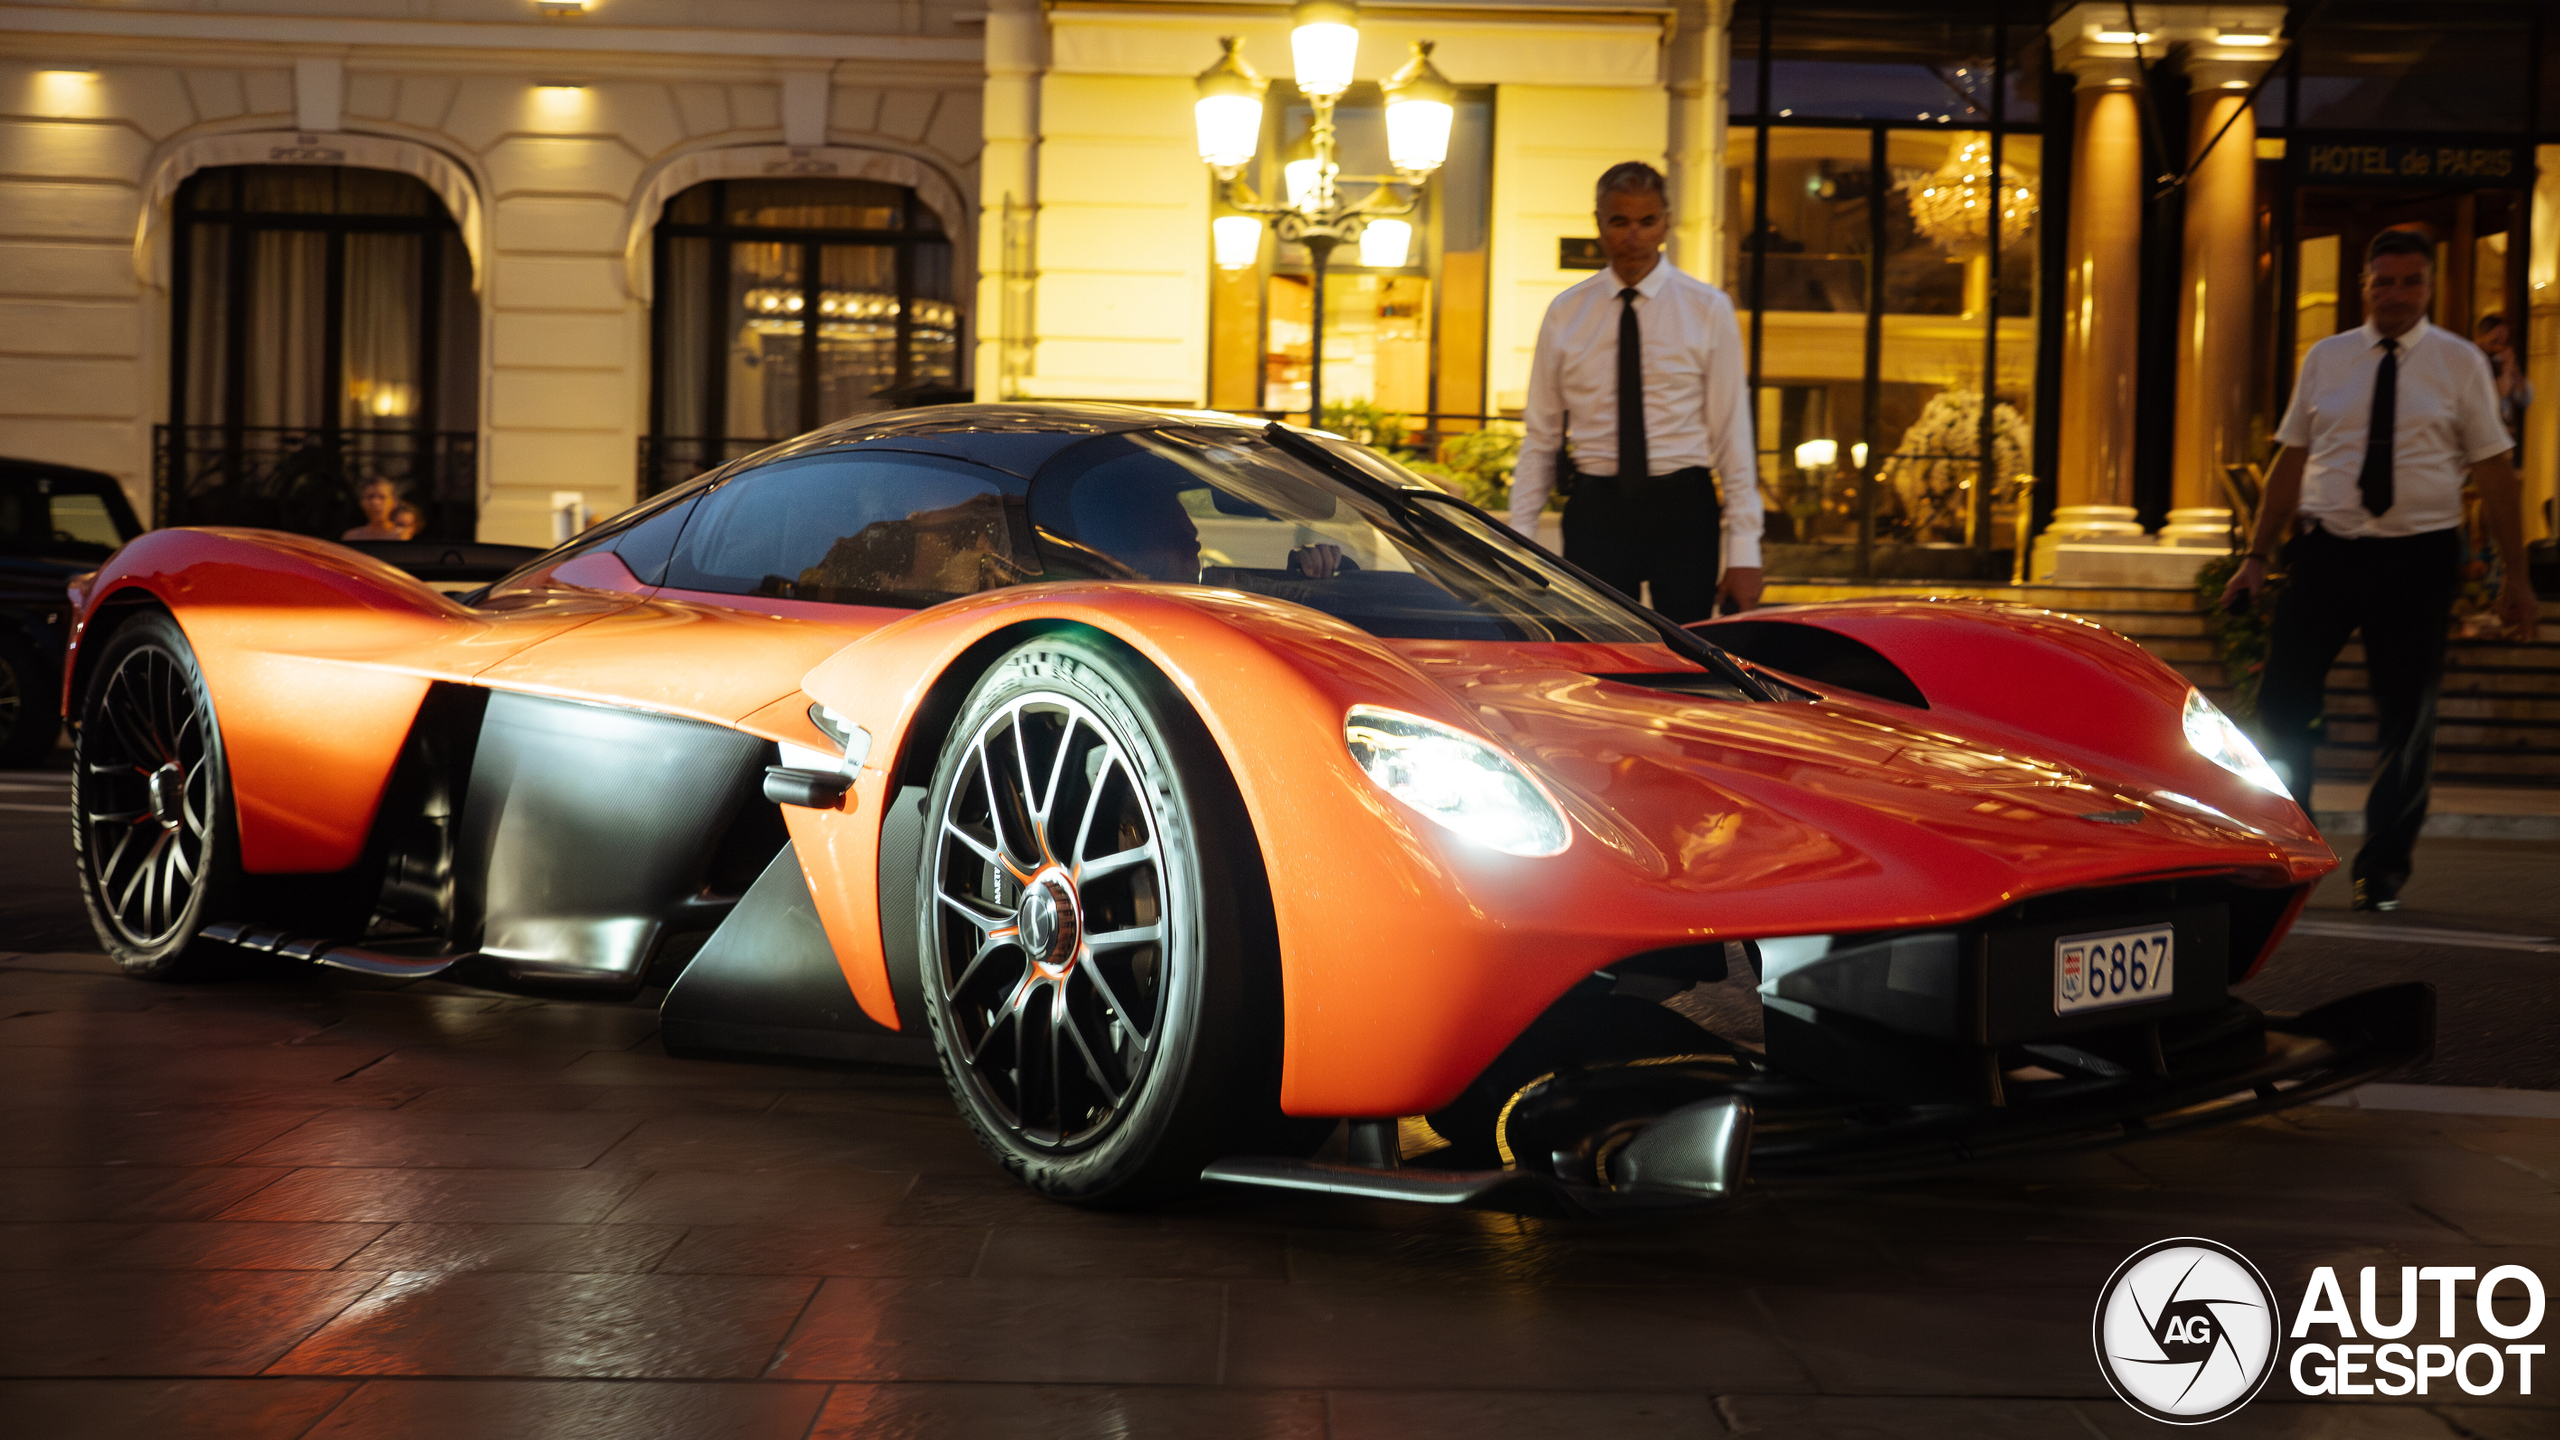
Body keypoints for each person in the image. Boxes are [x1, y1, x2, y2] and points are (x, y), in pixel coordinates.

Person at [2222, 229, 2538, 911]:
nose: (2395, 295)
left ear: (2429, 287)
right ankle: (2288, 843)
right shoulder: (2327, 358)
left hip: (2418, 557)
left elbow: (2495, 471)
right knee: (2281, 703)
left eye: (2410, 282)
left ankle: (2383, 867)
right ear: (2364, 285)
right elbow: (2290, 462)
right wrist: (2255, 556)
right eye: (2383, 282)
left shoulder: (2459, 364)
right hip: (2328, 551)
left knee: (2407, 716)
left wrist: (2515, 576)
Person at [1508, 161, 1763, 621]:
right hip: (1596, 510)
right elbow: (1541, 436)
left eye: (1648, 222)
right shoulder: (1566, 313)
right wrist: (1519, 537)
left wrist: (1745, 550)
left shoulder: (1708, 309)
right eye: (1619, 221)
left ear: (1666, 223)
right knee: (1598, 656)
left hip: (1683, 507)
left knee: (1690, 655)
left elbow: (1732, 432)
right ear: (1599, 224)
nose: (1634, 236)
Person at [342, 478, 406, 541]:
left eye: (382, 497)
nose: (375, 502)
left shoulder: (403, 536)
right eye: (370, 497)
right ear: (361, 503)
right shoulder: (352, 537)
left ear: (393, 502)